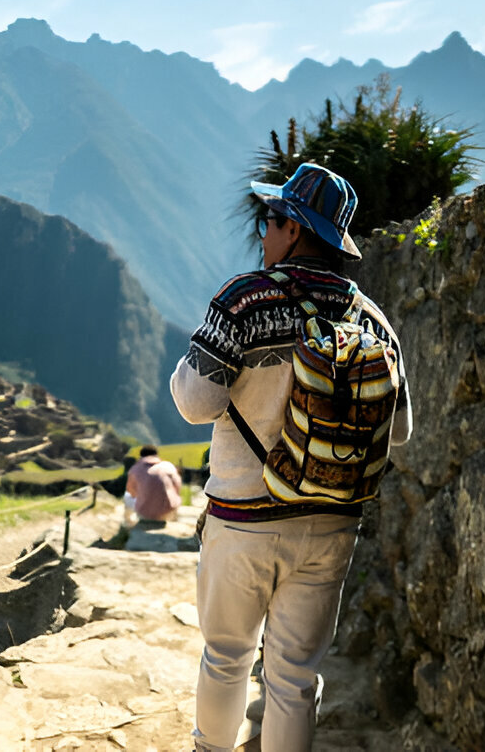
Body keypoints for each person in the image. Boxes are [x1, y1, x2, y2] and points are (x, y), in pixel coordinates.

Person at [170, 163, 413, 752]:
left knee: (227, 656)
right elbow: (399, 429)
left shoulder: (245, 300)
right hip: (332, 521)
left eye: (270, 220)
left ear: (295, 230)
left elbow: (196, 404)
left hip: (244, 516)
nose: (263, 233)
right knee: (295, 676)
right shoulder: (370, 318)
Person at [124, 445, 183, 524]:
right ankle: (173, 520)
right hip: (168, 511)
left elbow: (131, 492)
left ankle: (128, 524)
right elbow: (177, 488)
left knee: (126, 496)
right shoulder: (168, 466)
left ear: (141, 456)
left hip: (144, 512)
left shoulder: (135, 469)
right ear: (156, 455)